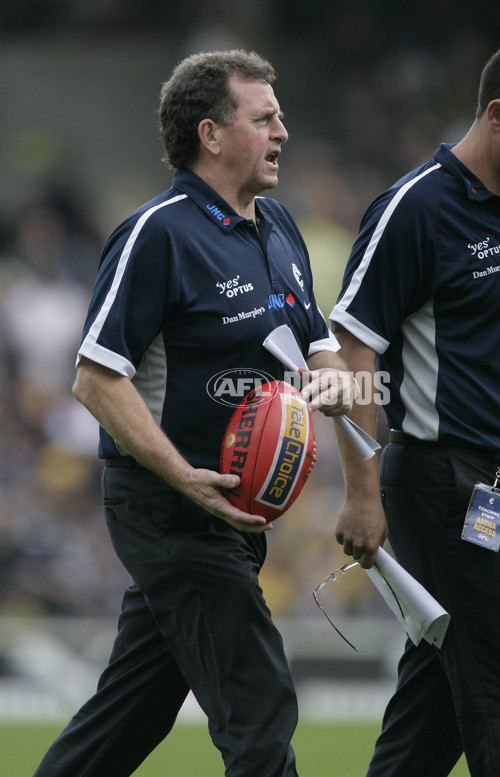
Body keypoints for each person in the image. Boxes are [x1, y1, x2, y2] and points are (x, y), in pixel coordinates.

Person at [34, 49, 355, 777]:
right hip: (170, 508)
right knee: (259, 701)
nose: (283, 130)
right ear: (211, 134)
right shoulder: (157, 233)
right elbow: (95, 379)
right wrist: (183, 475)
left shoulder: (278, 225)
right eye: (264, 117)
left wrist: (333, 382)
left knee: (131, 712)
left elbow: (320, 343)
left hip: (235, 511)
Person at [329, 24, 500, 777]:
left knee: (437, 705)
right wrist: (360, 491)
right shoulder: (416, 207)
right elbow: (352, 351)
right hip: (446, 481)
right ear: (497, 114)